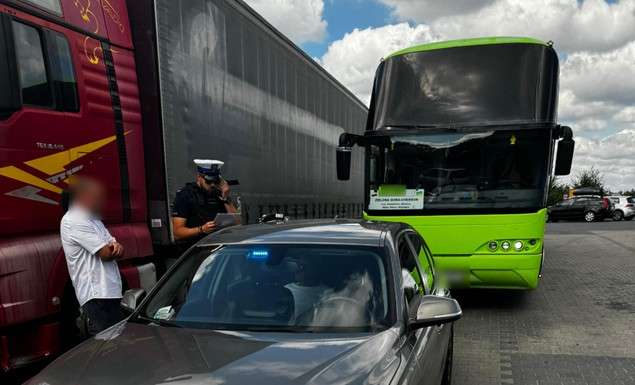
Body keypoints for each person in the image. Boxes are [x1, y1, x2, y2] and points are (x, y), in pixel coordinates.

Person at [60, 177, 125, 336]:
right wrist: (112, 248)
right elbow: (106, 253)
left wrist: (115, 248)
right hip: (96, 295)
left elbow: (119, 249)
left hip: (109, 292)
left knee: (117, 343)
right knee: (107, 346)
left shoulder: (94, 220)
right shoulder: (74, 219)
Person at [171, 159, 237, 244]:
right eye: (208, 181)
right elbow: (177, 233)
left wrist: (225, 197)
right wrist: (202, 229)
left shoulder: (219, 193)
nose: (212, 185)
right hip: (197, 247)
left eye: (215, 181)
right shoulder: (186, 195)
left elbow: (237, 224)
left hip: (219, 245)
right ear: (199, 177)